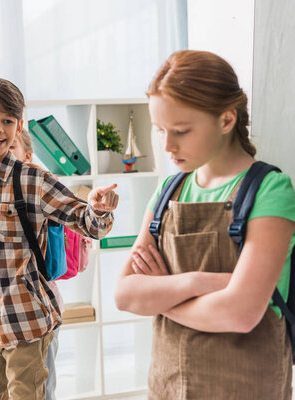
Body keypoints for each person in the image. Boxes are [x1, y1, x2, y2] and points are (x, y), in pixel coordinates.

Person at [114, 50, 295, 399]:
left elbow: (240, 314)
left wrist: (160, 294)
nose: (167, 146)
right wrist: (200, 282)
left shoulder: (272, 190)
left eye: (181, 131)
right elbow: (124, 295)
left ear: (226, 121)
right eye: (160, 130)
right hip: (167, 385)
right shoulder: (169, 190)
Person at [0, 77, 119, 400]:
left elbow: (88, 225)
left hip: (27, 325)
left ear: (19, 125)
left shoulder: (34, 181)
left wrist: (98, 210)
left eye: (7, 121)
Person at [9, 129, 63, 400]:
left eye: (13, 147)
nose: (5, 153)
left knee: (43, 384)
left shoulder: (39, 190)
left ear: (27, 157)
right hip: (5, 309)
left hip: (41, 301)